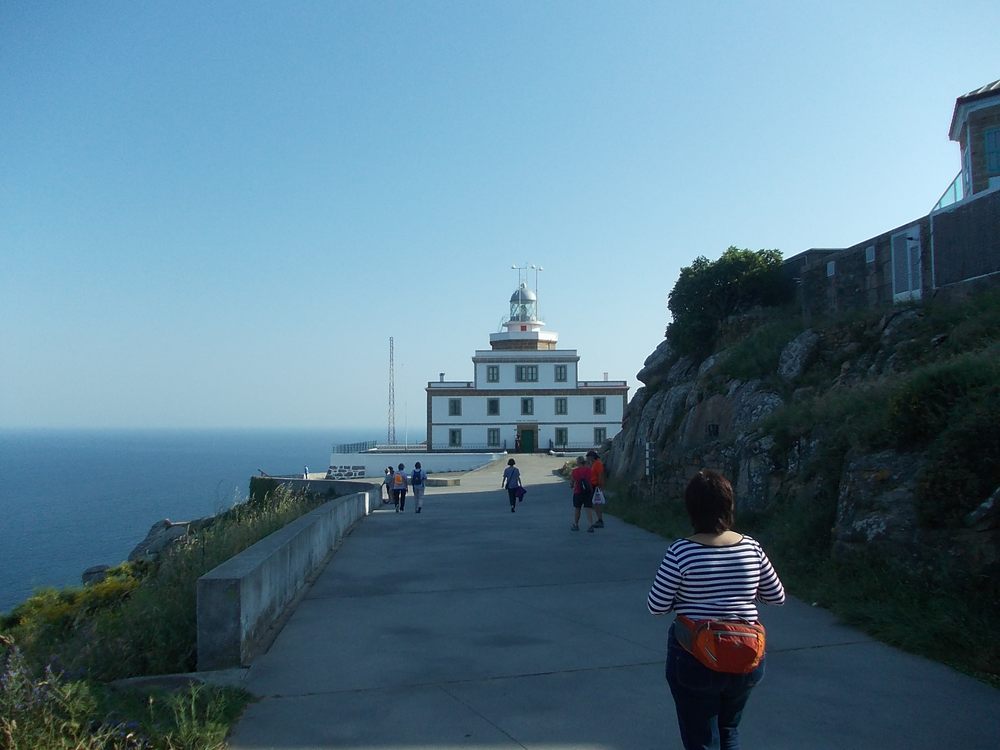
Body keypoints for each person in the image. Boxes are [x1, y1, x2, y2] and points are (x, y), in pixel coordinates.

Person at [647, 469, 785, 750]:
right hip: (745, 653)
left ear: (691, 508)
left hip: (695, 656)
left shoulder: (681, 551)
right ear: (729, 504)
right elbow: (776, 596)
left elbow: (656, 606)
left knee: (701, 738)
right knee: (729, 730)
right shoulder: (751, 548)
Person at [570, 455, 596, 532]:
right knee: (588, 509)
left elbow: (572, 483)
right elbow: (592, 480)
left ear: (578, 462)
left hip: (578, 492)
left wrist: (572, 485)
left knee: (577, 508)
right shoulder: (589, 470)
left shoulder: (575, 471)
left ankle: (576, 525)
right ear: (584, 462)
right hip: (588, 492)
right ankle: (591, 525)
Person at [586, 450, 606, 528]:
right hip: (594, 485)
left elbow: (600, 475)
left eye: (588, 458)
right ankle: (599, 519)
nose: (587, 459)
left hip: (596, 485)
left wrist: (600, 485)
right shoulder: (594, 463)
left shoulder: (598, 464)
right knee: (595, 503)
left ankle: (600, 520)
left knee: (597, 504)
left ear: (592, 457)